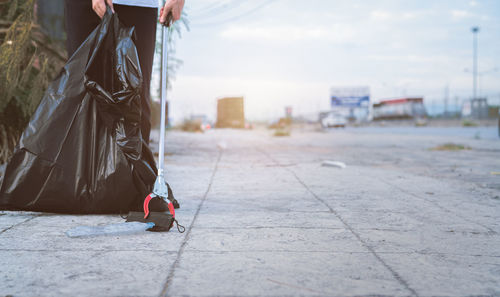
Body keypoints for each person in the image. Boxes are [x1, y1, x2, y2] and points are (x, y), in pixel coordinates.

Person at [64, 0, 185, 144]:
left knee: (134, 101)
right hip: (87, 6)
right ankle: (82, 166)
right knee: (83, 100)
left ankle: (133, 166)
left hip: (137, 5)